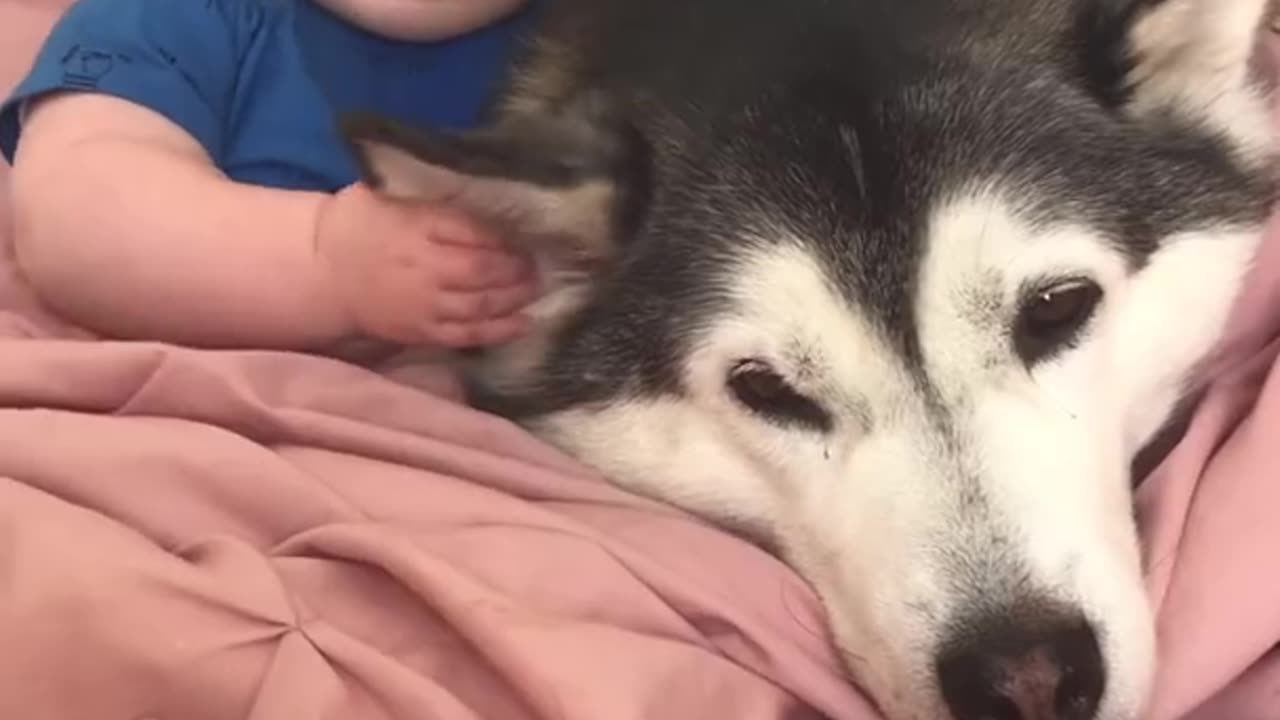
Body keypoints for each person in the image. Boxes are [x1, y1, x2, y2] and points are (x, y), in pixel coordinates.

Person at [0, 0, 544, 355]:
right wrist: (322, 259)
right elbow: (79, 216)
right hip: (203, 413)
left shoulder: (588, 45)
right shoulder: (176, 13)